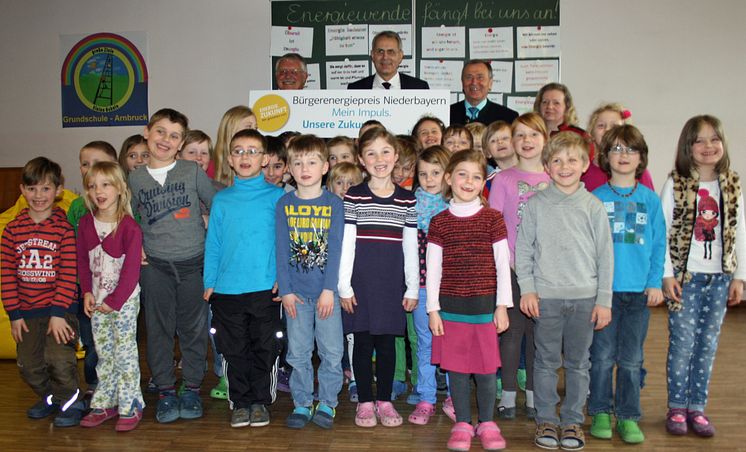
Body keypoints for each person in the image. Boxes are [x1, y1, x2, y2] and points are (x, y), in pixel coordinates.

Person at [516, 131, 613, 450]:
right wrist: (527, 289)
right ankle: (546, 418)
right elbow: (523, 250)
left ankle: (572, 420)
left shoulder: (594, 206)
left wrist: (604, 300)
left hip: (585, 299)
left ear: (585, 164)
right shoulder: (535, 205)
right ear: (546, 165)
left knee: (578, 363)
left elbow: (605, 257)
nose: (565, 166)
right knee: (544, 361)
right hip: (547, 298)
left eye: (572, 159)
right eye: (556, 160)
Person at [129, 108, 217, 424]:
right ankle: (166, 390)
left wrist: (210, 220)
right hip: (155, 266)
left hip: (194, 264)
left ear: (180, 144)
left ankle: (191, 388)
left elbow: (218, 201)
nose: (166, 139)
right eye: (161, 132)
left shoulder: (191, 172)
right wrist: (135, 241)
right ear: (147, 133)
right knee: (158, 330)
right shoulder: (134, 178)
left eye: (174, 135)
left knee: (194, 330)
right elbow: (126, 217)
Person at [661, 115, 745, 438]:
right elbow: (664, 233)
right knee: (682, 344)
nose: (708, 146)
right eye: (699, 140)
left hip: (719, 279)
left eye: (714, 139)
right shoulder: (677, 183)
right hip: (686, 278)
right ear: (688, 147)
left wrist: (739, 276)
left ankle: (697, 406)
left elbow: (740, 232)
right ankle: (677, 406)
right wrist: (667, 275)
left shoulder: (733, 184)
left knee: (707, 346)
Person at [427, 150, 511, 451]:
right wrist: (433, 310)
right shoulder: (439, 222)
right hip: (451, 310)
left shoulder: (493, 218)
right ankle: (463, 422)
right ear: (449, 178)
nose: (469, 181)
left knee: (487, 371)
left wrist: (502, 306)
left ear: (483, 182)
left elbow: (503, 265)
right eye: (462, 174)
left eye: (477, 176)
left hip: (485, 309)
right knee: (458, 371)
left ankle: (487, 422)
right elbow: (433, 270)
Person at [587, 124, 666, 444]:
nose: (623, 155)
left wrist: (654, 282)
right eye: (616, 149)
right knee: (602, 357)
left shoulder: (650, 199)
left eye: (630, 149)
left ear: (641, 157)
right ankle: (601, 411)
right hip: (602, 294)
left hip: (637, 294)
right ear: (605, 156)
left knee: (632, 360)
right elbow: (586, 247)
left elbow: (659, 244)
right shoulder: (593, 199)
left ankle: (629, 415)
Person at [203, 128, 284, 428]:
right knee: (233, 348)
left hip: (265, 288)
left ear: (264, 159)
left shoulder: (278, 197)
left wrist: (282, 277)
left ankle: (260, 401)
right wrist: (209, 281)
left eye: (252, 151)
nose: (245, 156)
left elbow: (283, 242)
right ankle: (240, 401)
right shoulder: (222, 200)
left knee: (264, 346)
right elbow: (214, 243)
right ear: (230, 159)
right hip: (226, 291)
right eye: (239, 151)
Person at [339, 127, 418, 428]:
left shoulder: (406, 200)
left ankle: (384, 400)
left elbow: (410, 247)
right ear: (361, 159)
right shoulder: (354, 196)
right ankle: (365, 403)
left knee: (386, 345)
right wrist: (344, 286)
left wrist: (411, 286)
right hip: (360, 285)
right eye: (371, 153)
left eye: (386, 151)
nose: (379, 158)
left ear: (396, 155)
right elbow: (347, 244)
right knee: (361, 344)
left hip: (390, 285)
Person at [1, 157, 82, 427]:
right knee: (28, 365)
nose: (39, 195)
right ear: (23, 190)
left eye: (46, 188)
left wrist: (59, 313)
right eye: (32, 188)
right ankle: (50, 398)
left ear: (58, 190)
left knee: (59, 360)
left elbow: (69, 274)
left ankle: (70, 401)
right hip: (26, 313)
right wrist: (14, 314)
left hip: (60, 311)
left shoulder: (64, 229)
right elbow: (7, 275)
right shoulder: (12, 230)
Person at [276, 134, 344, 429]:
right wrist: (287, 291)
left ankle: (327, 402)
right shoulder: (284, 204)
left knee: (331, 351)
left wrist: (330, 289)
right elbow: (280, 249)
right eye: (298, 162)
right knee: (298, 352)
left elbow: (337, 249)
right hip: (297, 297)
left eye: (312, 162)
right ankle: (302, 402)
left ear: (325, 167)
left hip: (327, 294)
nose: (305, 168)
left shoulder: (334, 204)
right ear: (289, 168)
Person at [488, 112, 551, 421]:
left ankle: (535, 395)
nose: (527, 141)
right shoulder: (503, 179)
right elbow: (495, 224)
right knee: (512, 333)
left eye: (533, 134)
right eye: (521, 135)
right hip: (511, 269)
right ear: (512, 142)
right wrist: (508, 265)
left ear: (545, 139)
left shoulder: (556, 176)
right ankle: (509, 393)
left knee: (540, 336)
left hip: (548, 273)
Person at [77, 161, 144, 431]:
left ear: (119, 189)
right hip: (97, 301)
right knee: (103, 352)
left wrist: (113, 302)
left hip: (123, 302)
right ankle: (106, 400)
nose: (98, 191)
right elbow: (82, 261)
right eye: (92, 186)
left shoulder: (129, 228)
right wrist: (87, 293)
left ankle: (131, 404)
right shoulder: (85, 223)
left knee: (125, 352)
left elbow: (130, 273)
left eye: (105, 184)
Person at [67, 140, 118, 400]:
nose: (90, 170)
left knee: (116, 339)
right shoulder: (77, 208)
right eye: (85, 165)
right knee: (91, 339)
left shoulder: (122, 210)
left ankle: (116, 382)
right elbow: (72, 248)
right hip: (85, 287)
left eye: (97, 164)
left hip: (114, 288)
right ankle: (94, 384)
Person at [177, 129, 227, 398]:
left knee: (216, 327)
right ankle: (192, 376)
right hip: (184, 271)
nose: (198, 158)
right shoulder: (172, 192)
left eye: (203, 153)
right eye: (191, 152)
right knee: (190, 328)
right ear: (179, 155)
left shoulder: (219, 191)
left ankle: (223, 373)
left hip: (215, 273)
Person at [407, 145, 450, 426]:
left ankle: (453, 397)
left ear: (447, 174)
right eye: (423, 174)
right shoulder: (410, 209)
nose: (430, 179)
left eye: (436, 172)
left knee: (450, 343)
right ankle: (426, 397)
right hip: (421, 288)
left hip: (450, 290)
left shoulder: (456, 208)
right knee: (425, 343)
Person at [582, 103, 654, 191]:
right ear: (591, 134)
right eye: (601, 125)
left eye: (615, 126)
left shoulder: (638, 172)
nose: (607, 130)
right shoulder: (583, 172)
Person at [533, 82, 595, 162]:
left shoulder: (581, 136)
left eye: (556, 103)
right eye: (545, 102)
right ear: (539, 106)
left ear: (567, 107)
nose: (549, 106)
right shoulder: (531, 133)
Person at [348, 31, 429, 90]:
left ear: (400, 56)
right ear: (372, 55)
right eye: (380, 51)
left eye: (391, 52)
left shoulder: (420, 88)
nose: (385, 57)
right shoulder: (355, 89)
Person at [449, 60, 518, 126]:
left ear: (490, 83)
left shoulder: (508, 117)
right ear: (462, 82)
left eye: (480, 77)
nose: (474, 82)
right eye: (469, 77)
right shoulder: (447, 114)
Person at [214, 106, 258, 185]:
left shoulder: (258, 163)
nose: (254, 133)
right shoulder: (210, 167)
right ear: (230, 130)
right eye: (248, 127)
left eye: (255, 128)